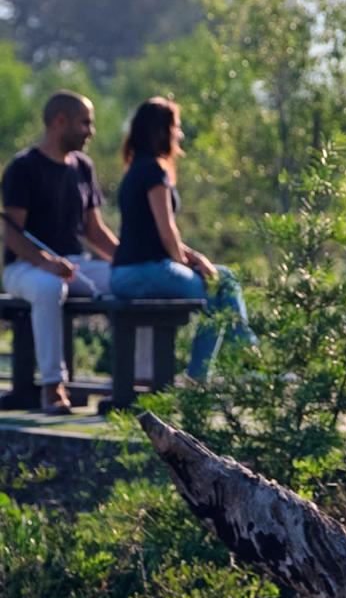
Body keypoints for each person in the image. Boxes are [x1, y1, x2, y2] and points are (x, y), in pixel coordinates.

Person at [109, 97, 253, 380]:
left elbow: (157, 234)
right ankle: (241, 358)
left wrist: (196, 258)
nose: (179, 134)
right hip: (146, 271)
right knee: (221, 286)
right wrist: (186, 263)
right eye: (176, 127)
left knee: (222, 278)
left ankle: (210, 372)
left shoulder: (135, 169)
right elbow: (167, 233)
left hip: (124, 274)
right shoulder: (153, 171)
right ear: (161, 131)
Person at [1, 90, 120, 413]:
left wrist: (130, 262)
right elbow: (13, 236)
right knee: (50, 287)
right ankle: (53, 387)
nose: (91, 131)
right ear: (59, 121)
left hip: (75, 264)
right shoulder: (23, 167)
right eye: (85, 123)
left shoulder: (83, 167)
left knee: (132, 282)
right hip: (23, 268)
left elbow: (95, 231)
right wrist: (47, 263)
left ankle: (136, 383)